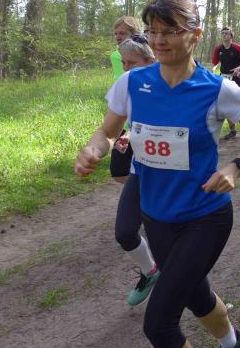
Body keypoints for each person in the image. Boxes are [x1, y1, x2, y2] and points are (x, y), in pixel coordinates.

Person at [75, 0, 240, 348]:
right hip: (156, 217)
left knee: (159, 325)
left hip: (205, 217)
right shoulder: (132, 83)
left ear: (195, 35)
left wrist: (236, 166)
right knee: (196, 295)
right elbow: (106, 131)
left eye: (170, 31)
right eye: (152, 31)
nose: (158, 40)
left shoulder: (217, 90)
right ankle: (236, 343)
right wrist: (93, 149)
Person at [108, 35, 162, 307]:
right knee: (124, 232)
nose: (126, 69)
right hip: (140, 169)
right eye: (124, 63)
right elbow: (120, 124)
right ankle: (150, 271)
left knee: (169, 244)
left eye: (132, 63)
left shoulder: (170, 85)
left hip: (171, 175)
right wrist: (126, 136)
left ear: (151, 61)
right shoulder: (128, 85)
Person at [212, 27, 240, 140]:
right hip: (224, 78)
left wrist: (239, 68)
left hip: (236, 78)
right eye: (223, 33)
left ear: (231, 35)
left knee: (238, 101)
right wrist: (214, 68)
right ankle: (232, 130)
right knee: (226, 104)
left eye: (227, 33)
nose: (224, 35)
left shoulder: (238, 48)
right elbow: (215, 62)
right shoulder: (218, 49)